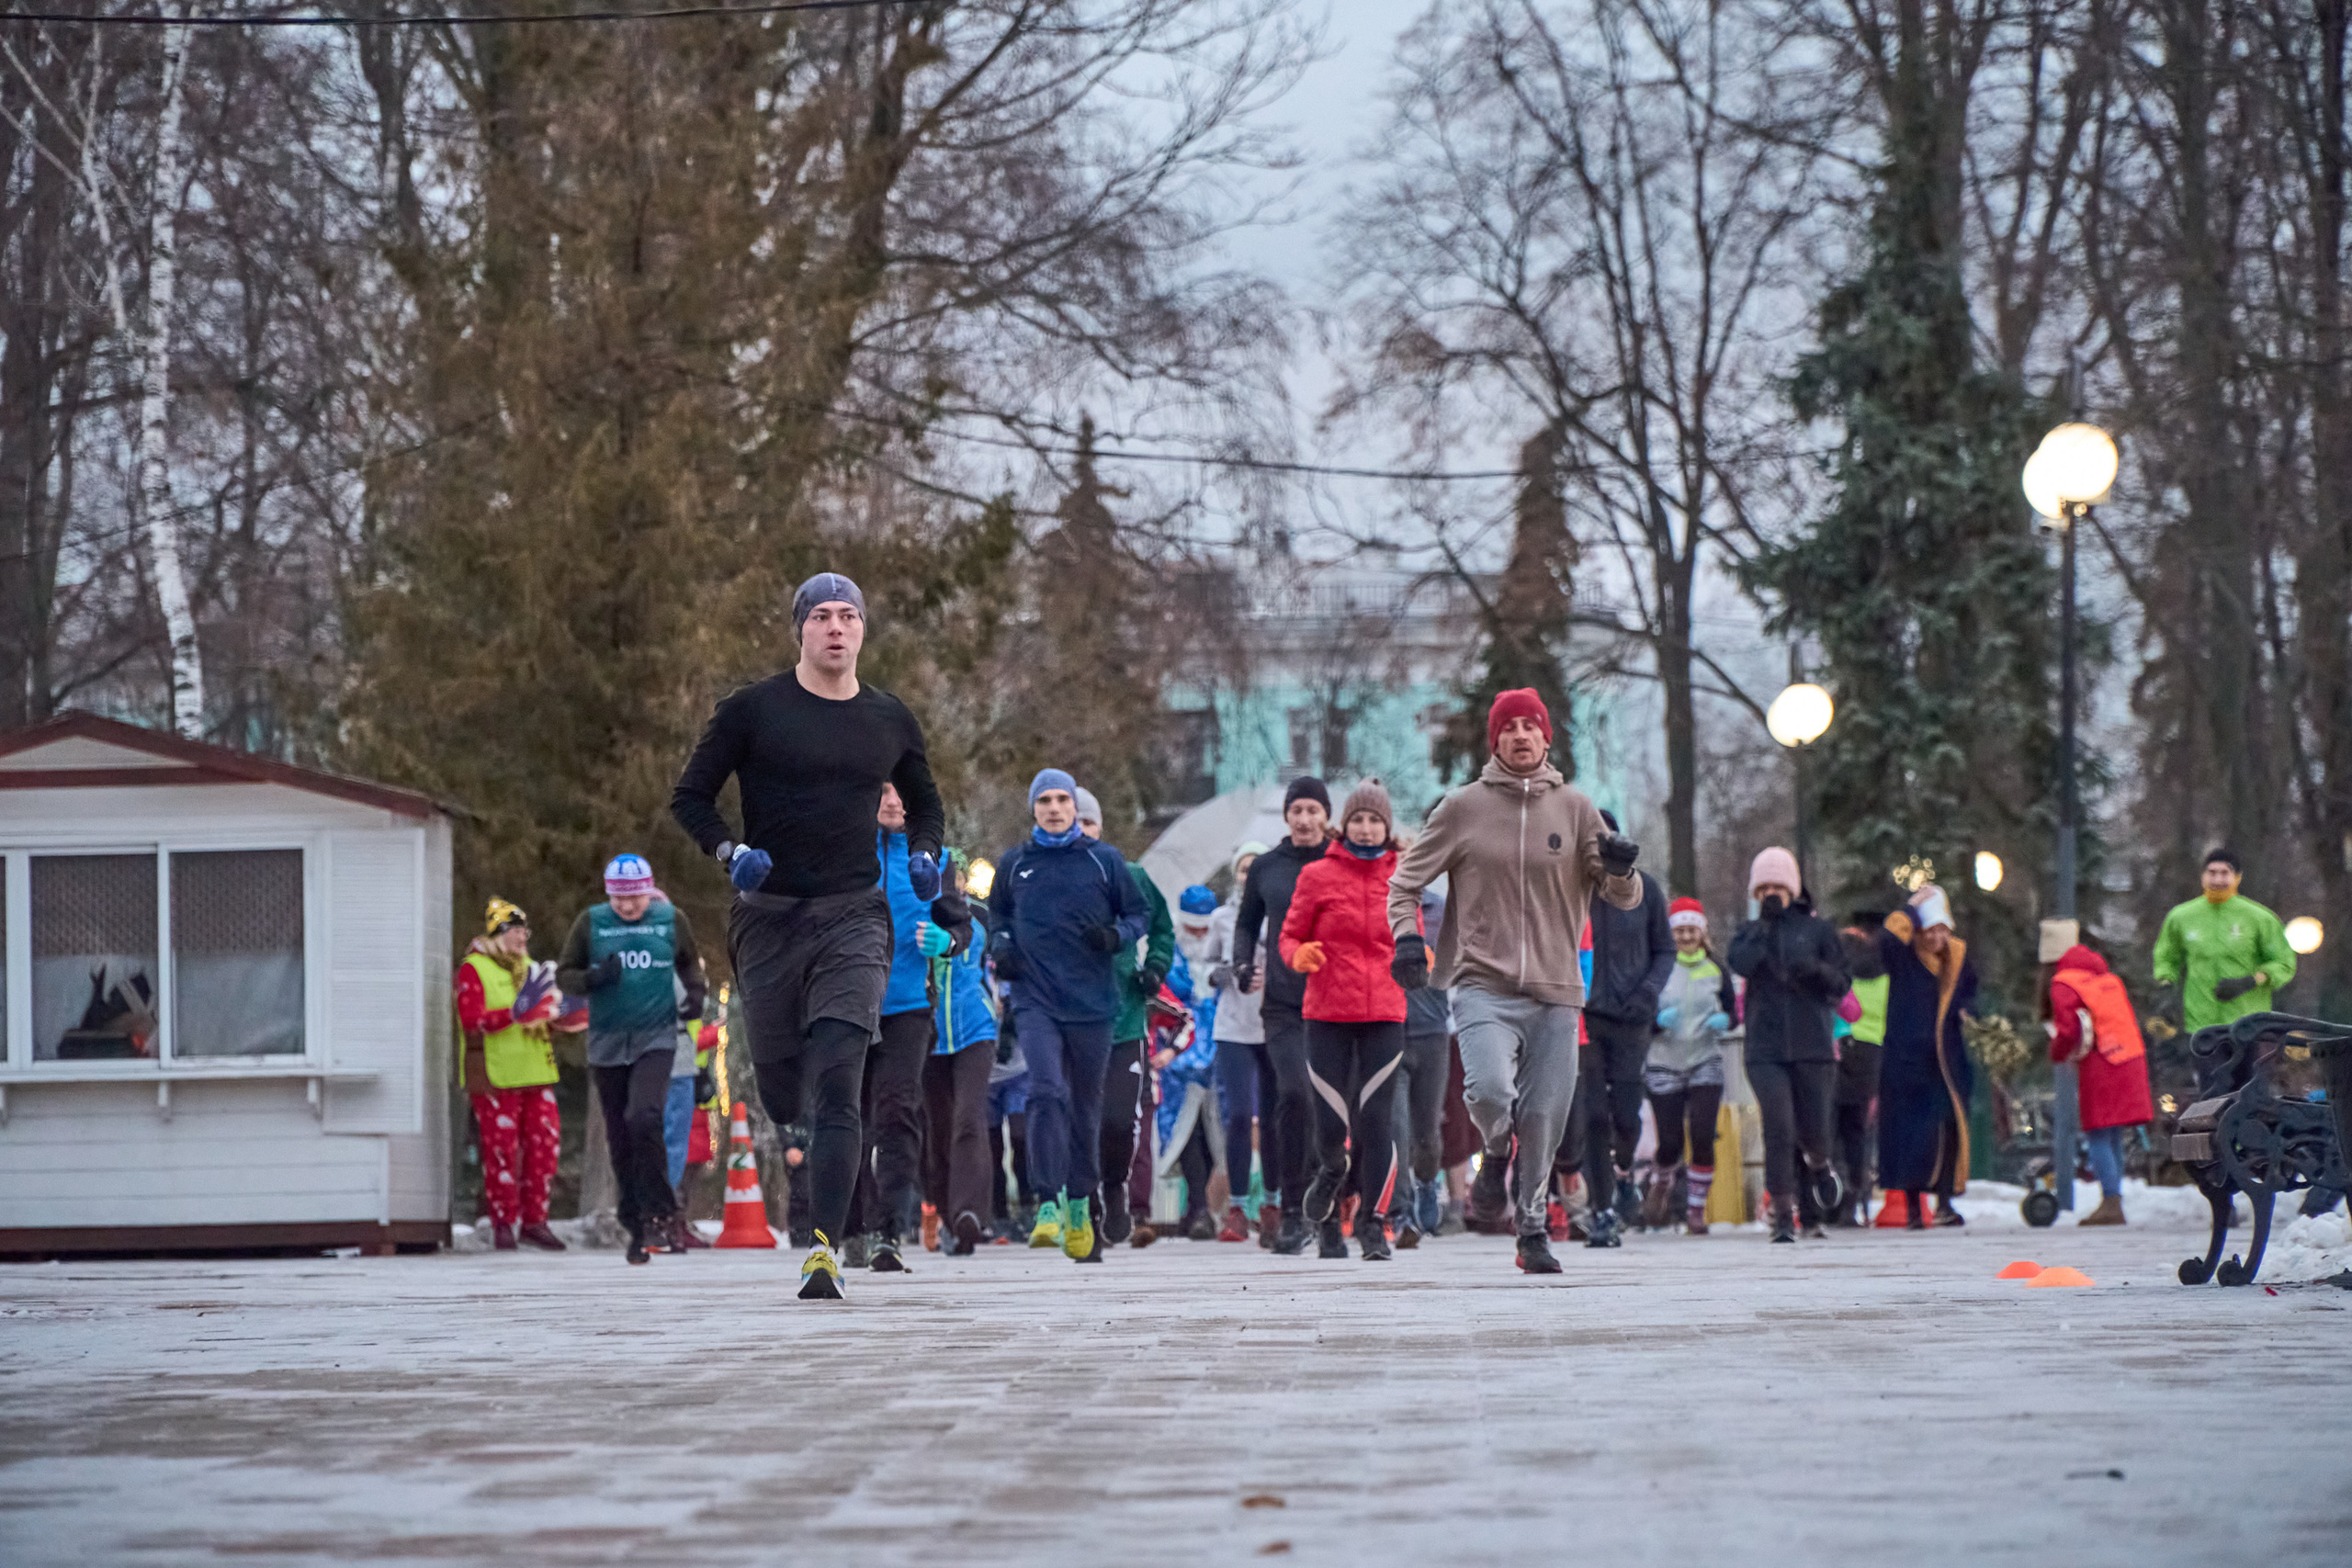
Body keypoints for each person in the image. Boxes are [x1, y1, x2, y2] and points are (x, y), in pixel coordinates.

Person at [671, 570, 946, 1300]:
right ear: (800, 628)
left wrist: (925, 855)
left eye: (847, 615)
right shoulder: (753, 711)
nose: (834, 627)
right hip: (769, 917)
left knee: (839, 1082)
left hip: (854, 916)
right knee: (787, 1087)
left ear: (862, 630)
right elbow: (690, 797)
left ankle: (824, 1248)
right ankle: (804, 1142)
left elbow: (926, 804)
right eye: (820, 614)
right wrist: (732, 855)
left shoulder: (888, 717)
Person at [1386, 690, 1644, 1275]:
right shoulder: (1461, 809)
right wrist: (1407, 938)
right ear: (1494, 740)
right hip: (1483, 982)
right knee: (1488, 1095)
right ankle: (1495, 1150)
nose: (1522, 736)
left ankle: (1531, 1230)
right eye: (1510, 728)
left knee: (1545, 1116)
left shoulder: (1579, 809)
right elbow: (1404, 884)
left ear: (1547, 738)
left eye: (1532, 726)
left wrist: (1624, 869)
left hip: (1556, 990)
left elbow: (1621, 898)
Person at [987, 768, 1149, 1263]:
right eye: (1045, 801)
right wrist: (1001, 944)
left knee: (1085, 1107)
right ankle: (1047, 1200)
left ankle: (1081, 1201)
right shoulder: (1015, 864)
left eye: (1063, 800)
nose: (1054, 808)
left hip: (1094, 1005)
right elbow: (997, 915)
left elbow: (1138, 915)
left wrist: (1116, 937)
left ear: (1075, 808)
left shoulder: (1104, 862)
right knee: (1046, 1089)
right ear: (1033, 808)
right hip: (1035, 999)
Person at [1280, 779, 1412, 1261]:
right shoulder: (1317, 875)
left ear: (1387, 827)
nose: (1366, 828)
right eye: (1358, 819)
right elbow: (1289, 936)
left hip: (1385, 1012)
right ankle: (1332, 1169)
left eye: (1375, 820)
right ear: (1344, 824)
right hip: (1328, 1011)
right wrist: (1300, 956)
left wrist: (1421, 958)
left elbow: (1412, 934)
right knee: (1331, 1122)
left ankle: (1374, 1224)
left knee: (1377, 1119)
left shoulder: (1404, 875)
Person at [556, 854, 707, 1265]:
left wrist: (695, 995)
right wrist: (591, 980)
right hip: (607, 1040)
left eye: (635, 897)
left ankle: (661, 1209)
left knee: (644, 1116)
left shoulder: (670, 919)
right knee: (620, 1135)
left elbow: (690, 962)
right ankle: (635, 1222)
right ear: (609, 897)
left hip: (656, 1037)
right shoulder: (592, 923)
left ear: (649, 890)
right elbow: (564, 975)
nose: (628, 906)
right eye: (619, 899)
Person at [850, 782, 972, 1272]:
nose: (893, 801)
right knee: (846, 1118)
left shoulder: (933, 860)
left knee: (898, 1113)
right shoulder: (844, 851)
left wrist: (946, 940)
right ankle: (851, 1227)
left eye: (902, 793)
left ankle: (887, 1231)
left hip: (907, 1007)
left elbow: (962, 929)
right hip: (848, 1005)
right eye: (881, 791)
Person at [1726, 849, 1849, 1243]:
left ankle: (1819, 1163)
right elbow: (1740, 963)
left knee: (1814, 1130)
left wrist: (1815, 971)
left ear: (1794, 889)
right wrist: (1763, 929)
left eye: (1779, 886)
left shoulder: (1818, 931)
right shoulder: (1749, 932)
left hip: (1813, 1045)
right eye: (1764, 888)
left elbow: (1842, 983)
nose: (1773, 894)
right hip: (1765, 1047)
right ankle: (1783, 1214)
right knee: (1778, 1127)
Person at [1233, 779, 1334, 1255]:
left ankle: (1331, 1205)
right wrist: (1242, 962)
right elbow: (1247, 922)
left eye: (1314, 809)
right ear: (1287, 815)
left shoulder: (1342, 862)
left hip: (1337, 1002)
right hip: (1284, 1004)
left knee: (1332, 1105)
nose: (1305, 818)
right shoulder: (1268, 867)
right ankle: (1293, 1209)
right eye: (1297, 809)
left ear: (1327, 815)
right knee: (1295, 1095)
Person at [1569, 809, 1675, 1247]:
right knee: (1593, 1114)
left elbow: (1664, 949)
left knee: (1627, 1115)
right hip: (1585, 1013)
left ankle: (1625, 1170)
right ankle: (1602, 1211)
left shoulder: (1644, 888)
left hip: (1632, 1017)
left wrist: (1648, 993)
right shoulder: (1570, 889)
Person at [1077, 786, 1173, 1251]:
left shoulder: (1129, 874)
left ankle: (1114, 1188)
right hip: (1069, 1020)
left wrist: (1154, 967)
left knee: (1118, 1120)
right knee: (1081, 1120)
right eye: (1070, 823)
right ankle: (1089, 1211)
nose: (1079, 831)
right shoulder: (1040, 878)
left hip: (1125, 1020)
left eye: (1087, 823)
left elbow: (1161, 925)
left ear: (1100, 828)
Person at [455, 898, 566, 1252]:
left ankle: (536, 1222)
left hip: (536, 1072)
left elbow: (545, 1014)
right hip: (495, 1074)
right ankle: (504, 1224)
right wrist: (514, 1012)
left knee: (544, 1149)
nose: (522, 938)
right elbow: (471, 1020)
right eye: (515, 931)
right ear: (498, 934)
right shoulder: (475, 968)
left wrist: (565, 1015)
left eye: (524, 931)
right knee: (502, 1151)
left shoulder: (531, 968)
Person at [1875, 885, 1978, 1229]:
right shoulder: (1904, 957)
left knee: (1948, 1130)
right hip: (1908, 1061)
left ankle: (1946, 1201)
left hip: (1946, 1060)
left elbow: (1970, 993)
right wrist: (1909, 910)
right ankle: (1914, 1208)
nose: (1936, 938)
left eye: (1941, 930)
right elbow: (1886, 942)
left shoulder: (1958, 959)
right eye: (1929, 930)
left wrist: (1967, 1012)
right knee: (1912, 1134)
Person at [2044, 929, 2154, 1225]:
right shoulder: (2109, 981)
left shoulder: (2064, 983)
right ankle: (2113, 1196)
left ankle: (2111, 1201)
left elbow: (2067, 1030)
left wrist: (2056, 1052)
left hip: (2101, 1062)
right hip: (2130, 1057)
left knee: (2097, 1132)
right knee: (2113, 1133)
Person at [1642, 897, 1736, 1235]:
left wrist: (1725, 1020)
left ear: (1702, 932)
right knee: (1670, 1142)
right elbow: (1641, 1013)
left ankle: (1696, 1210)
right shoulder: (1660, 968)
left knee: (1701, 1134)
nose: (1685, 936)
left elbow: (1733, 1011)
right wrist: (1656, 1022)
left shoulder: (1716, 969)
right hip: (1663, 1061)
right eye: (1679, 930)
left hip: (1704, 1059)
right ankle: (1662, 1180)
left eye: (1691, 929)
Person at [922, 851, 1000, 1255]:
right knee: (937, 1131)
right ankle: (951, 1218)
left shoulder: (981, 916)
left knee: (969, 1119)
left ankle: (971, 1214)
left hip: (975, 1028)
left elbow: (1000, 964)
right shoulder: (913, 916)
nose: (951, 885)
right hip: (926, 1033)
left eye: (954, 878)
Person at [1206, 843, 1275, 1246]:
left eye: (1256, 869)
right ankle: (1236, 1208)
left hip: (1274, 1025)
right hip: (1232, 1027)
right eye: (1243, 870)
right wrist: (1225, 972)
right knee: (1238, 1115)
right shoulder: (1221, 918)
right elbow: (1206, 965)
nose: (1249, 876)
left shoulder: (1283, 912)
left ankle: (1273, 1203)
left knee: (1272, 1119)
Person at [2152, 847, 2297, 1033]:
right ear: (2203, 876)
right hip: (2200, 1024)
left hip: (2249, 1024)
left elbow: (2284, 962)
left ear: (2237, 877)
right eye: (2212, 873)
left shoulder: (2260, 918)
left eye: (2224, 873)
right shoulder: (2181, 917)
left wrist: (2251, 981)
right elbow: (2166, 956)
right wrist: (2166, 988)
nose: (2218, 880)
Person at [1392, 883, 1451, 1248]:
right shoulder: (1381, 908)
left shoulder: (1442, 911)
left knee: (1427, 1133)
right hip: (1389, 1032)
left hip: (1432, 1033)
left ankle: (1428, 1183)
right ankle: (1401, 1210)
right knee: (1396, 1127)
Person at [1829, 914, 1889, 1226]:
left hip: (1836, 1045)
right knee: (1858, 1130)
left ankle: (1829, 1198)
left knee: (1830, 1128)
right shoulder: (1883, 971)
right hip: (1870, 1053)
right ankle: (1853, 1201)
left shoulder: (1838, 966)